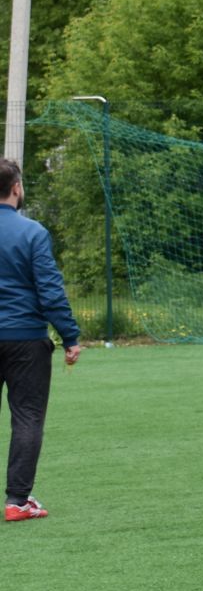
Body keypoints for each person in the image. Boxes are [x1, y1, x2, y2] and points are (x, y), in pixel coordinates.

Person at [0, 159, 81, 523]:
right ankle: (17, 501)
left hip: (21, 337)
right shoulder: (33, 232)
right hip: (25, 340)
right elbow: (50, 291)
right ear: (17, 187)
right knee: (27, 418)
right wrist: (70, 337)